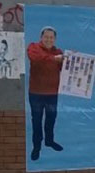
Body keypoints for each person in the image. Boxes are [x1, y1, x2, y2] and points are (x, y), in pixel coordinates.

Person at [27, 26, 64, 161]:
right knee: (36, 121)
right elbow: (37, 59)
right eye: (46, 37)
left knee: (51, 119)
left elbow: (65, 69)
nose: (49, 39)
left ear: (55, 39)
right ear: (41, 38)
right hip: (36, 93)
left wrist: (72, 59)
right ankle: (36, 147)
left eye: (51, 37)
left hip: (52, 94)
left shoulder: (59, 52)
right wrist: (55, 59)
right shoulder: (33, 47)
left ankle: (49, 141)